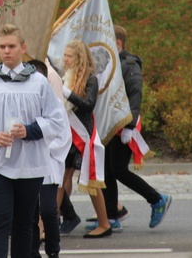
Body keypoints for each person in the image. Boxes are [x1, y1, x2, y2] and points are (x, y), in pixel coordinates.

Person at [0, 24, 68, 257]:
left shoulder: (38, 82)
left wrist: (30, 131)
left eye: (11, 46)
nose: (6, 51)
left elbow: (56, 119)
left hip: (28, 165)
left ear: (23, 48)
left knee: (24, 224)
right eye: (2, 47)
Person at [95, 25, 171, 232]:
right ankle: (111, 216)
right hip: (110, 123)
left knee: (118, 169)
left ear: (118, 44)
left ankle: (157, 199)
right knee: (107, 170)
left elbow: (135, 97)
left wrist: (129, 126)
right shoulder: (111, 63)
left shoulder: (130, 65)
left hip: (124, 125)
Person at [58, 40, 111, 239]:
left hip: (83, 134)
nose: (65, 59)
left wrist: (67, 93)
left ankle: (104, 223)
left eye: (69, 56)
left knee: (91, 182)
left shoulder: (91, 79)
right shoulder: (66, 77)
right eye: (64, 55)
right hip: (68, 134)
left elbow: (88, 105)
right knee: (60, 179)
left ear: (79, 58)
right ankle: (47, 225)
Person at [28, 59, 71, 258]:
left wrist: (41, 147)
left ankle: (53, 249)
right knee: (29, 212)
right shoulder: (24, 103)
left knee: (48, 209)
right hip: (27, 165)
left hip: (48, 165)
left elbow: (63, 139)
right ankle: (32, 250)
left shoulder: (56, 106)